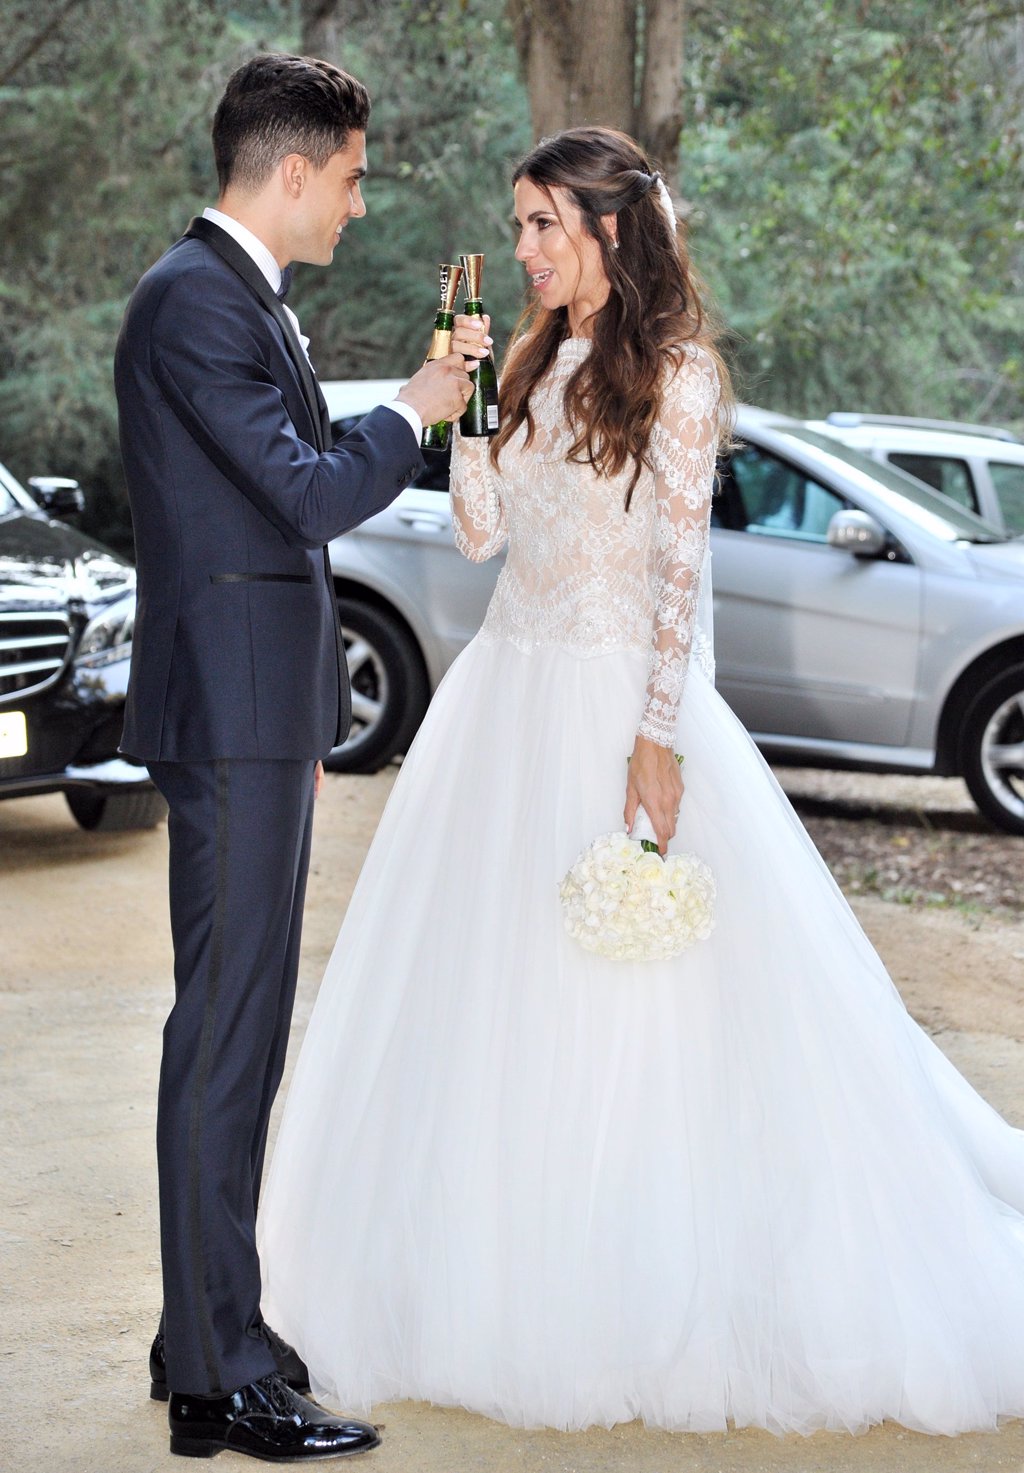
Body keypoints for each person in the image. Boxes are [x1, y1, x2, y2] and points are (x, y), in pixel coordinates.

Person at [257, 126, 1024, 1437]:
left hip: (618, 704)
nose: (525, 247)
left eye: (545, 223)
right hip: (502, 700)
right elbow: (487, 533)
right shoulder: (533, 360)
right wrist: (467, 403)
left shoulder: (678, 376)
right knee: (491, 991)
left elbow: (684, 572)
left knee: (637, 1003)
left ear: (613, 230)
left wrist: (660, 733)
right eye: (520, 224)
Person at [114, 52, 474, 1462]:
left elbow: (268, 495)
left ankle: (204, 1327)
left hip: (257, 713)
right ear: (293, 169)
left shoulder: (228, 296)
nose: (361, 207)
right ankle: (219, 1370)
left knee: (232, 1027)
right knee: (227, 1034)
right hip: (232, 712)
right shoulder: (197, 298)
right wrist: (419, 408)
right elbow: (310, 491)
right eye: (355, 178)